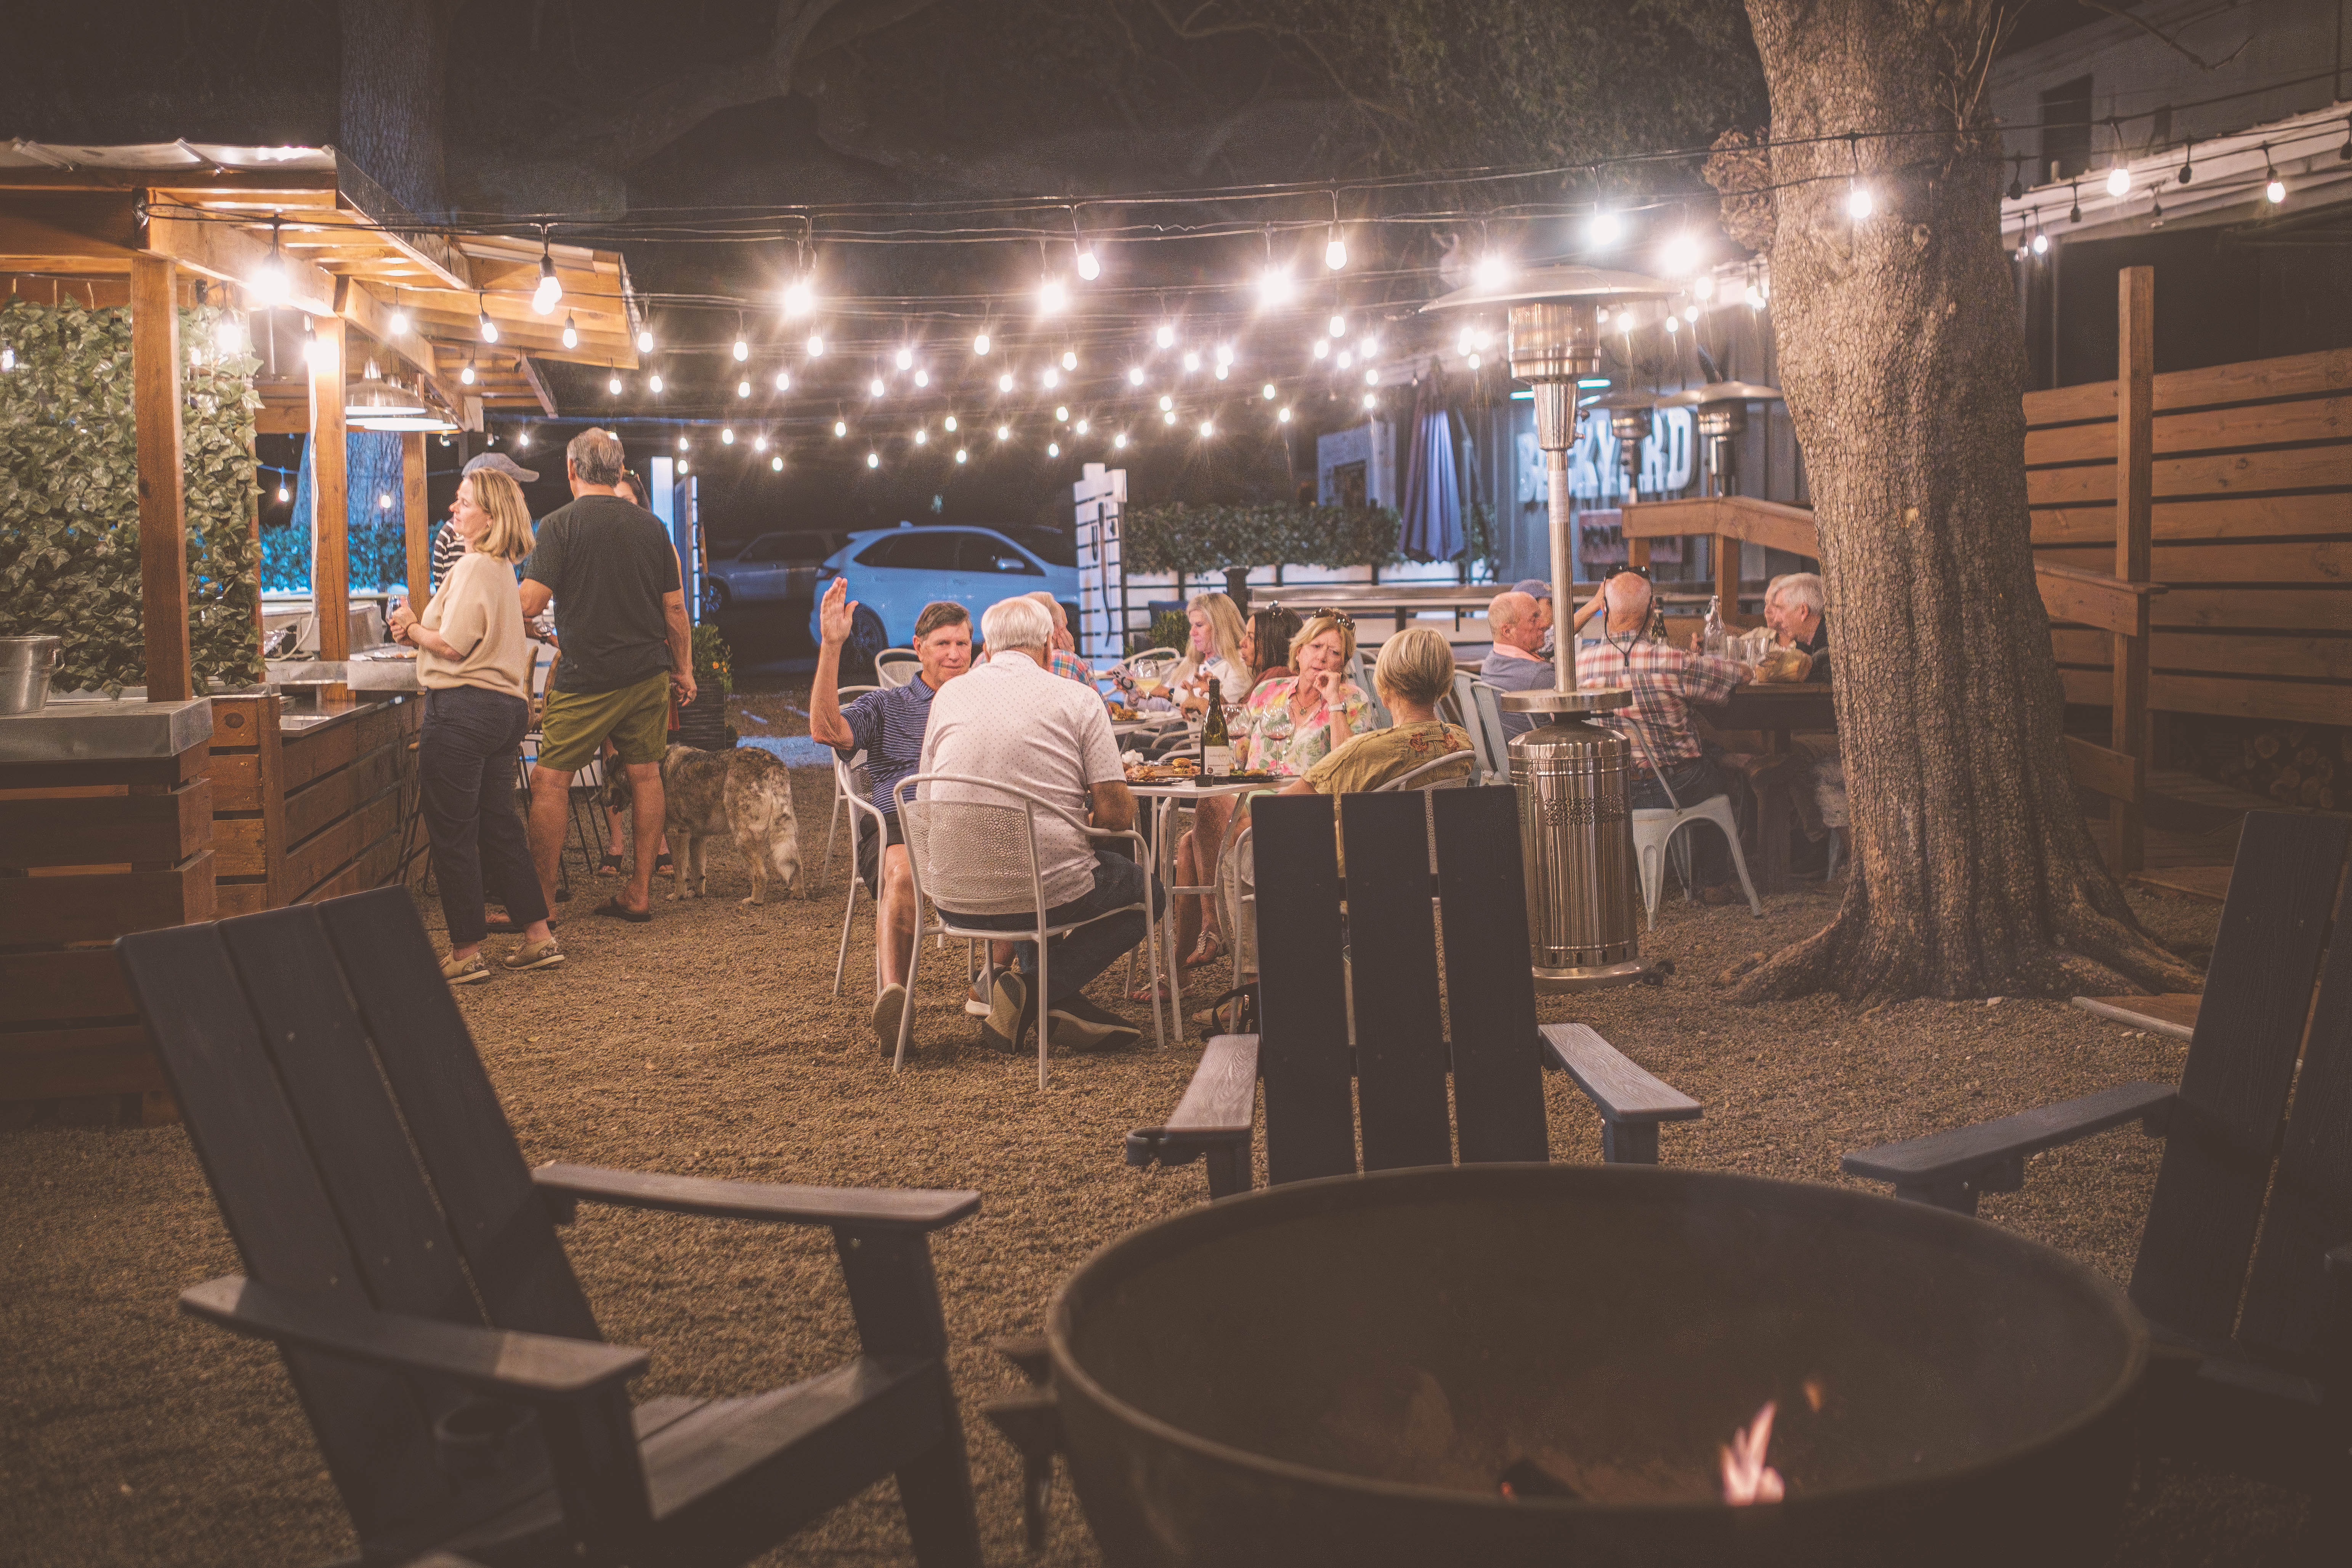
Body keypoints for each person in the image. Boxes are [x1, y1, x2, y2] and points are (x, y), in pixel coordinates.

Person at [915, 595, 1161, 1054]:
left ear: (986, 650)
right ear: (1050, 647)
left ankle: (1047, 999)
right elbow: (1117, 815)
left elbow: (927, 801)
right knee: (1146, 891)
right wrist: (1082, 819)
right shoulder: (1078, 698)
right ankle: (1034, 991)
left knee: (1043, 865)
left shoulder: (948, 696)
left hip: (952, 894)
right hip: (1039, 892)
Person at [386, 467, 561, 984]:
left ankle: (466, 951)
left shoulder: (471, 567)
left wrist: (410, 625)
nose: (454, 511)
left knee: (453, 830)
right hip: (504, 709)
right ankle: (537, 935)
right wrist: (420, 632)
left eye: (463, 503)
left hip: (463, 709)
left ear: (489, 516)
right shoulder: (502, 569)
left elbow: (455, 645)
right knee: (498, 825)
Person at [517, 429, 693, 923]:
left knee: (549, 781)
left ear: (571, 470)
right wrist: (683, 668)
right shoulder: (652, 529)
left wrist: (484, 605)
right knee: (645, 775)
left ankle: (544, 905)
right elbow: (675, 609)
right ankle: (639, 892)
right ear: (619, 472)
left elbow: (530, 601)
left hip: (584, 678)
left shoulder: (557, 525)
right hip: (645, 676)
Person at [810, 579, 972, 1052]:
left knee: (1025, 850)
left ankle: (998, 988)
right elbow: (825, 729)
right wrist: (832, 645)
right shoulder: (887, 704)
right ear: (919, 649)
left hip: (970, 819)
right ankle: (895, 1002)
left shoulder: (985, 707)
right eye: (943, 644)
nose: (955, 654)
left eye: (962, 643)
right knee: (901, 871)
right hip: (903, 817)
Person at [1578, 572, 1751, 898]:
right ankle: (1713, 882)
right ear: (1651, 610)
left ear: (1604, 610)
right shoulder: (1671, 661)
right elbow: (1737, 675)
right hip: (1675, 787)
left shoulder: (1580, 664)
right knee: (1722, 777)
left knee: (1711, 762)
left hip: (1610, 789)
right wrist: (1746, 668)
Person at [1160, 601, 1307, 976]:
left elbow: (1239, 728)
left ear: (1272, 644)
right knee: (1187, 844)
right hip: (1258, 785)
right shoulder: (1266, 682)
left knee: (1208, 807)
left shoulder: (1275, 680)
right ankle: (1181, 965)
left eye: (1251, 638)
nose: (1243, 644)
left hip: (1281, 797)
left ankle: (1212, 930)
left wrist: (1191, 699)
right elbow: (1239, 730)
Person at [595, 465, 676, 880]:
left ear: (640, 505)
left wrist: (684, 666)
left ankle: (658, 845)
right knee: (612, 760)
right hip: (609, 663)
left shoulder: (656, 539)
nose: (622, 508)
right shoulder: (602, 546)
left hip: (647, 661)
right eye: (617, 500)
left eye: (629, 501)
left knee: (649, 762)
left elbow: (675, 607)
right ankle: (617, 844)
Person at [1281, 628, 1475, 796]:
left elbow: (1272, 807)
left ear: (1385, 688)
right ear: (1444, 683)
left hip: (1361, 839)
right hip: (1434, 838)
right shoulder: (1461, 741)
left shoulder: (1365, 753)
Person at [1235, 611, 1372, 778]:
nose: (1322, 657)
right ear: (1299, 652)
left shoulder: (1355, 700)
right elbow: (1236, 751)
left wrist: (1334, 701)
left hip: (1308, 799)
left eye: (1334, 653)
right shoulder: (1268, 690)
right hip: (1253, 793)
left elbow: (1348, 767)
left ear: (1343, 663)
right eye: (1316, 647)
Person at [434, 451, 537, 595]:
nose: (521, 494)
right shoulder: (461, 530)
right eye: (513, 485)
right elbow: (458, 600)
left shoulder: (488, 542)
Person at [1480, 589, 1556, 738]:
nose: (1545, 624)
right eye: (1534, 619)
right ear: (1508, 631)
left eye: (1539, 615)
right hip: (1541, 757)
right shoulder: (1540, 676)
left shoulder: (1489, 664)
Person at [1171, 591, 1250, 714]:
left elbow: (1219, 710)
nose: (1192, 633)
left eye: (1199, 625)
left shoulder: (1241, 664)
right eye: (1192, 625)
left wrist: (1168, 694)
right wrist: (1134, 689)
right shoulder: (1192, 660)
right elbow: (1160, 698)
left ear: (1220, 628)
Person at [1764, 571, 1831, 681]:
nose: (1777, 619)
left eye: (1781, 609)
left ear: (1803, 612)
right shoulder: (1804, 644)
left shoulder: (1825, 654)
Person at [1024, 590, 1096, 688]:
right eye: (1065, 626)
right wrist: (1071, 656)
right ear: (1052, 628)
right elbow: (1098, 701)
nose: (1069, 633)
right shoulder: (1065, 659)